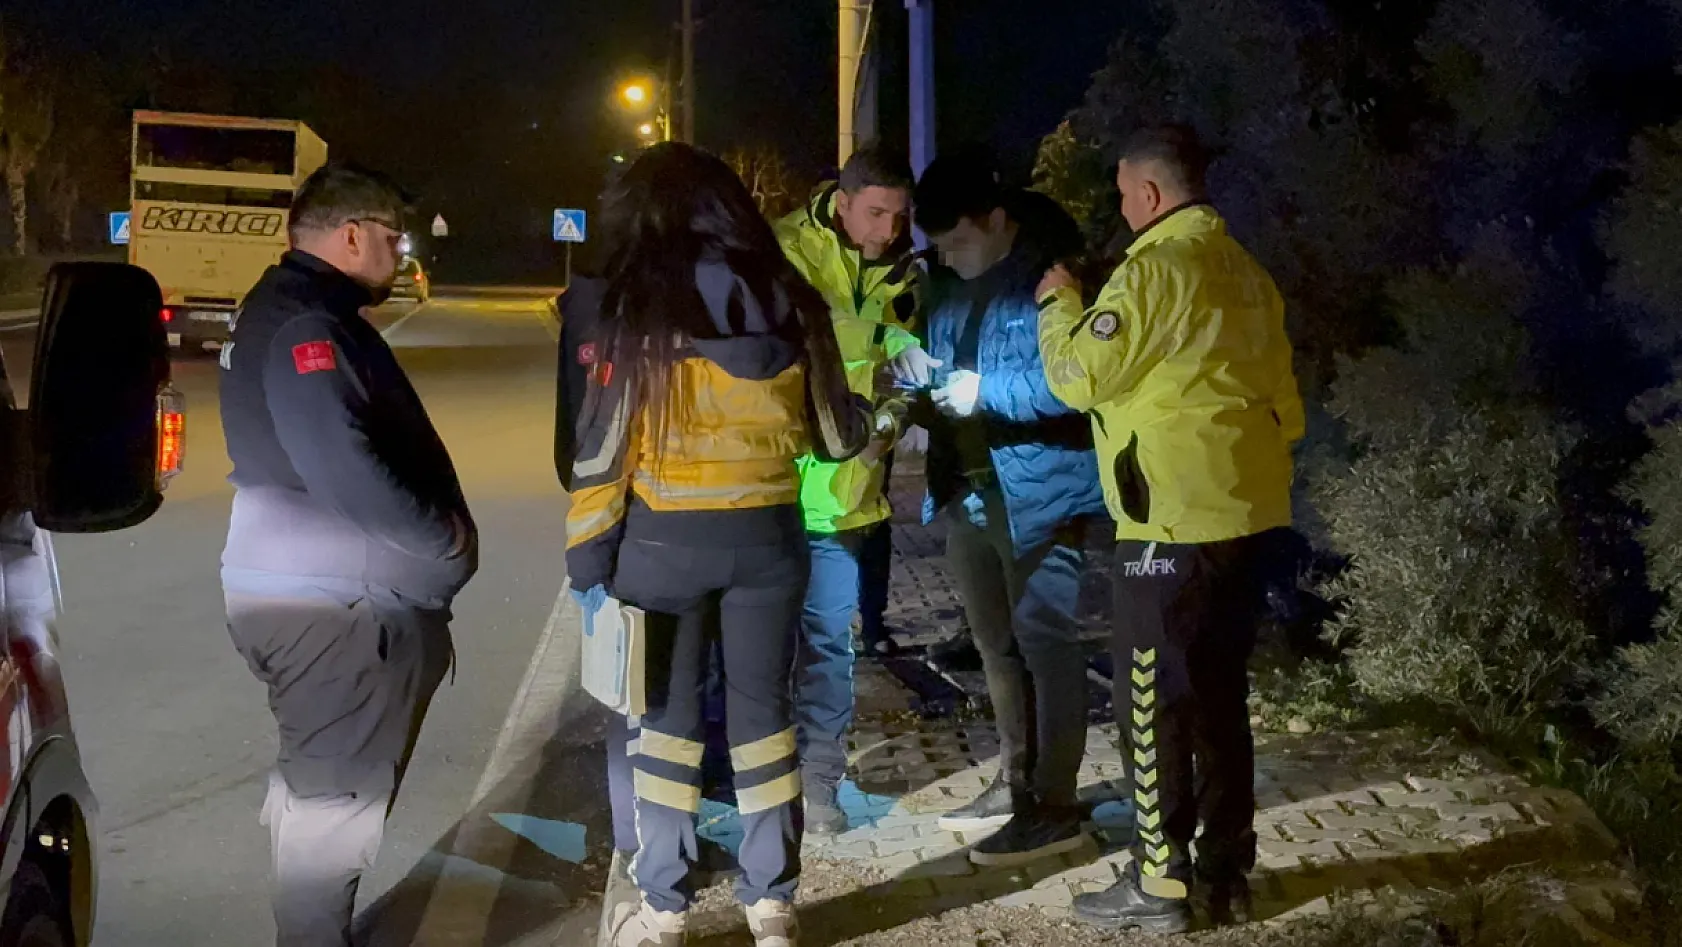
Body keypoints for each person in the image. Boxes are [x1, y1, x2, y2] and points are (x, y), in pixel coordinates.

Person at [562, 142, 871, 947]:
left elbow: (601, 450)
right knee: (766, 718)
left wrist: (588, 553)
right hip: (769, 539)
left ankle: (663, 909)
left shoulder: (641, 305)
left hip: (664, 544)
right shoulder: (791, 300)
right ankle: (773, 904)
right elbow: (838, 438)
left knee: (665, 723)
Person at [1037, 124, 1304, 933]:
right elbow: (1285, 403)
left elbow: (1081, 376)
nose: (1121, 210)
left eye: (1123, 195)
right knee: (1221, 698)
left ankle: (1159, 882)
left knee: (1152, 704)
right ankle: (1227, 871)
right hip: (1248, 515)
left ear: (1149, 194)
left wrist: (1060, 305)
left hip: (1170, 522)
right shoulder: (1247, 272)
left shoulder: (1155, 269)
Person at [219, 164, 477, 947]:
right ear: (353, 235)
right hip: (338, 610)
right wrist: (446, 544)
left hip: (305, 589)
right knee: (332, 815)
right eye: (394, 238)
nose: (401, 254)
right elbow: (344, 466)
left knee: (324, 792)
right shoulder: (309, 327)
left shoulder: (286, 307)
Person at [909, 151, 1106, 867]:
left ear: (996, 220)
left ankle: (1055, 803)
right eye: (938, 247)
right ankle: (1016, 779)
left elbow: (1073, 384)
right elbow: (938, 370)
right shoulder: (943, 284)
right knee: (995, 644)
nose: (949, 257)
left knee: (1047, 641)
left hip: (1043, 490)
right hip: (969, 487)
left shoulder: (1053, 276)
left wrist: (982, 390)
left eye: (959, 242)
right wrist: (918, 388)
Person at [772, 142, 929, 835]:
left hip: (846, 495)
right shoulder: (785, 248)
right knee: (760, 649)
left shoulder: (901, 270)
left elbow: (900, 382)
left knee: (830, 648)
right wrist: (887, 341)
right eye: (875, 213)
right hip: (773, 489)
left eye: (899, 216)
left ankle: (819, 784)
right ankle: (755, 780)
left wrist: (891, 421)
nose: (888, 230)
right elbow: (796, 331)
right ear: (841, 202)